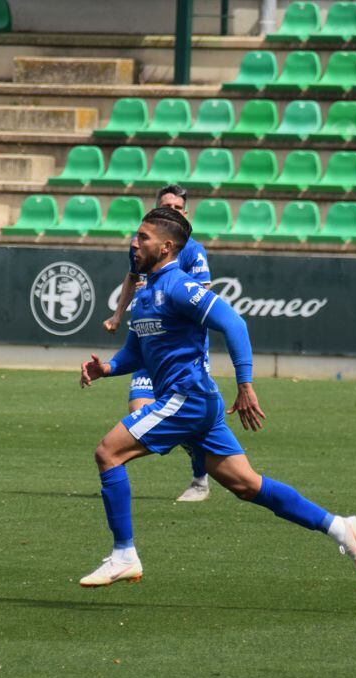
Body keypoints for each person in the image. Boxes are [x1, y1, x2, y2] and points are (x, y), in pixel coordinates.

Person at [79, 208, 356, 587]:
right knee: (247, 484)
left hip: (188, 398)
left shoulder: (179, 286)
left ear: (166, 248)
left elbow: (234, 322)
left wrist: (245, 384)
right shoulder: (145, 293)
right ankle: (339, 527)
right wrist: (108, 369)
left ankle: (124, 554)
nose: (134, 243)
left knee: (108, 452)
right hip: (193, 403)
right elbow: (136, 352)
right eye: (136, 236)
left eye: (143, 237)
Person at [103, 185, 213, 502]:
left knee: (173, 418)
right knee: (140, 408)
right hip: (148, 340)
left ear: (185, 213)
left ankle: (199, 477)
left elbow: (201, 293)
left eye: (178, 207)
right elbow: (131, 276)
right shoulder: (142, 244)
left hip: (178, 350)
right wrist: (118, 314)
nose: (174, 211)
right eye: (168, 206)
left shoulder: (192, 250)